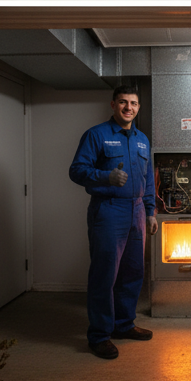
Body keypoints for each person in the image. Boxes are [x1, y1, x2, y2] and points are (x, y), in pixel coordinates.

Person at [68, 85, 156, 359]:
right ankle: (99, 335)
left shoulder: (142, 140)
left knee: (132, 273)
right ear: (113, 105)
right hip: (108, 211)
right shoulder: (97, 135)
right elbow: (76, 171)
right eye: (122, 102)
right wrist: (106, 177)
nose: (128, 107)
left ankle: (123, 325)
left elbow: (148, 178)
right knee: (105, 275)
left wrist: (150, 210)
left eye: (133, 103)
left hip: (137, 211)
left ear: (138, 107)